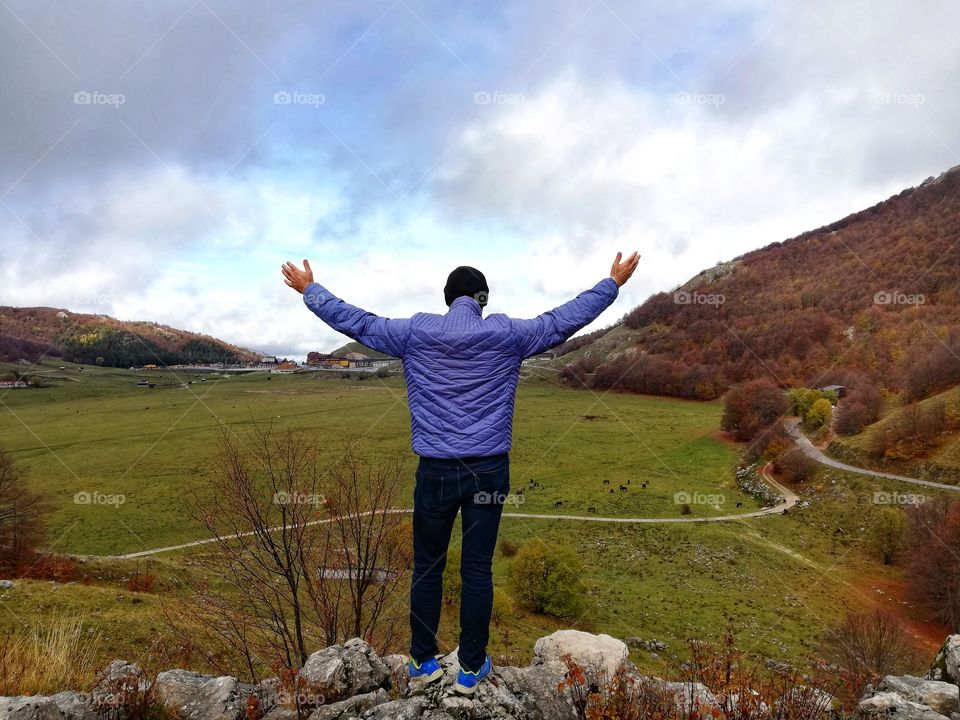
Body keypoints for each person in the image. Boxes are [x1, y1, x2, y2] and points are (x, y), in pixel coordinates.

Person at [281, 251, 639, 694]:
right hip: (488, 470)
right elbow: (561, 320)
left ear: (448, 299)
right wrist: (612, 284)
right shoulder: (507, 333)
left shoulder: (415, 331)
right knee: (477, 569)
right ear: (481, 301)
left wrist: (310, 290)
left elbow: (358, 322)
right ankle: (471, 668)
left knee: (427, 568)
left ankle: (421, 661)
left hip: (434, 471)